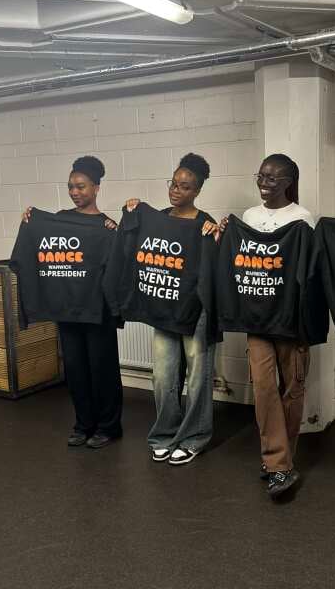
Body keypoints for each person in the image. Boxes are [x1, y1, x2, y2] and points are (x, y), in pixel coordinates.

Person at [205, 154, 314, 498]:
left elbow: (307, 274)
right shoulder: (249, 217)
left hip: (290, 320)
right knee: (264, 389)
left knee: (291, 390)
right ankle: (278, 463)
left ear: (288, 183)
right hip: (256, 318)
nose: (264, 183)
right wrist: (225, 234)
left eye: (272, 178)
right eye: (261, 176)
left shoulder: (302, 219)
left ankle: (282, 460)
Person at [22, 155, 123, 449]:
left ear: (96, 188)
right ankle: (83, 424)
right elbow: (39, 239)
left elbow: (118, 265)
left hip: (98, 310)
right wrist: (30, 220)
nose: (74, 192)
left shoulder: (107, 227)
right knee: (76, 370)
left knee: (102, 369)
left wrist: (117, 233)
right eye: (70, 187)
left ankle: (109, 426)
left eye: (81, 186)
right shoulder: (60, 220)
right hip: (67, 309)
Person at [125, 153, 217, 465]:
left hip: (196, 310)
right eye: (174, 183)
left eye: (185, 186)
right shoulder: (157, 218)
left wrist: (216, 235)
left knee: (198, 375)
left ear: (197, 191)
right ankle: (164, 434)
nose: (176, 190)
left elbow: (214, 268)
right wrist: (133, 211)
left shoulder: (204, 224)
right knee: (163, 375)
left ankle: (194, 436)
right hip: (164, 308)